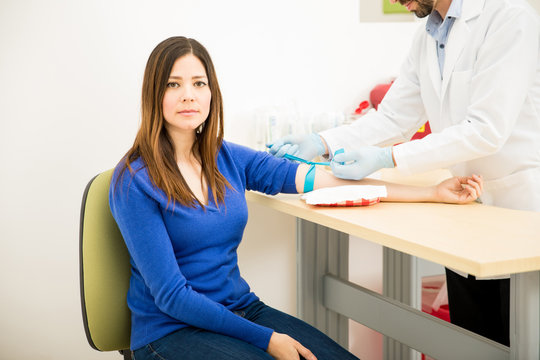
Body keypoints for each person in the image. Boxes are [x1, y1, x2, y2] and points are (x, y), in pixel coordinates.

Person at [109, 36, 483, 360]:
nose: (188, 94)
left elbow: (325, 181)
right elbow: (173, 297)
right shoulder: (133, 181)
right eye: (173, 85)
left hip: (240, 310)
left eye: (198, 83)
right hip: (171, 332)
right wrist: (267, 339)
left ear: (212, 92)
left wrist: (430, 192)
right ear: (153, 93)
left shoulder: (228, 158)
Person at [268, 0, 540, 347]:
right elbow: (394, 117)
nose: (395, 0)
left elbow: (486, 129)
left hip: (521, 209)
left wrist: (387, 157)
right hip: (470, 212)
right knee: (472, 340)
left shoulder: (510, 18)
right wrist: (322, 141)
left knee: (518, 339)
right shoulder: (428, 37)